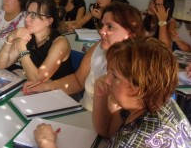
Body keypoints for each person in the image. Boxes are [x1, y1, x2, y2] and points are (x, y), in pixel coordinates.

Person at [34, 37, 191, 148]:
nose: (106, 80)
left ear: (139, 87)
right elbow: (109, 133)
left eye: (114, 76)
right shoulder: (159, 101)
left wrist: (47, 143)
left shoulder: (139, 140)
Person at [23, 3, 145, 111]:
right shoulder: (98, 47)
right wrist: (45, 87)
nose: (101, 31)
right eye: (102, 25)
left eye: (110, 27)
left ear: (130, 33)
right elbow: (78, 80)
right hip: (83, 111)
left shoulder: (135, 66)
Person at [0, 0, 73, 82]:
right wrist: (10, 38)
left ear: (49, 21)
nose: (27, 19)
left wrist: (22, 49)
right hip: (36, 89)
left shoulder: (60, 43)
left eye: (33, 15)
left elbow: (37, 80)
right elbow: (1, 65)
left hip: (60, 92)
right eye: (27, 13)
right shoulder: (28, 36)